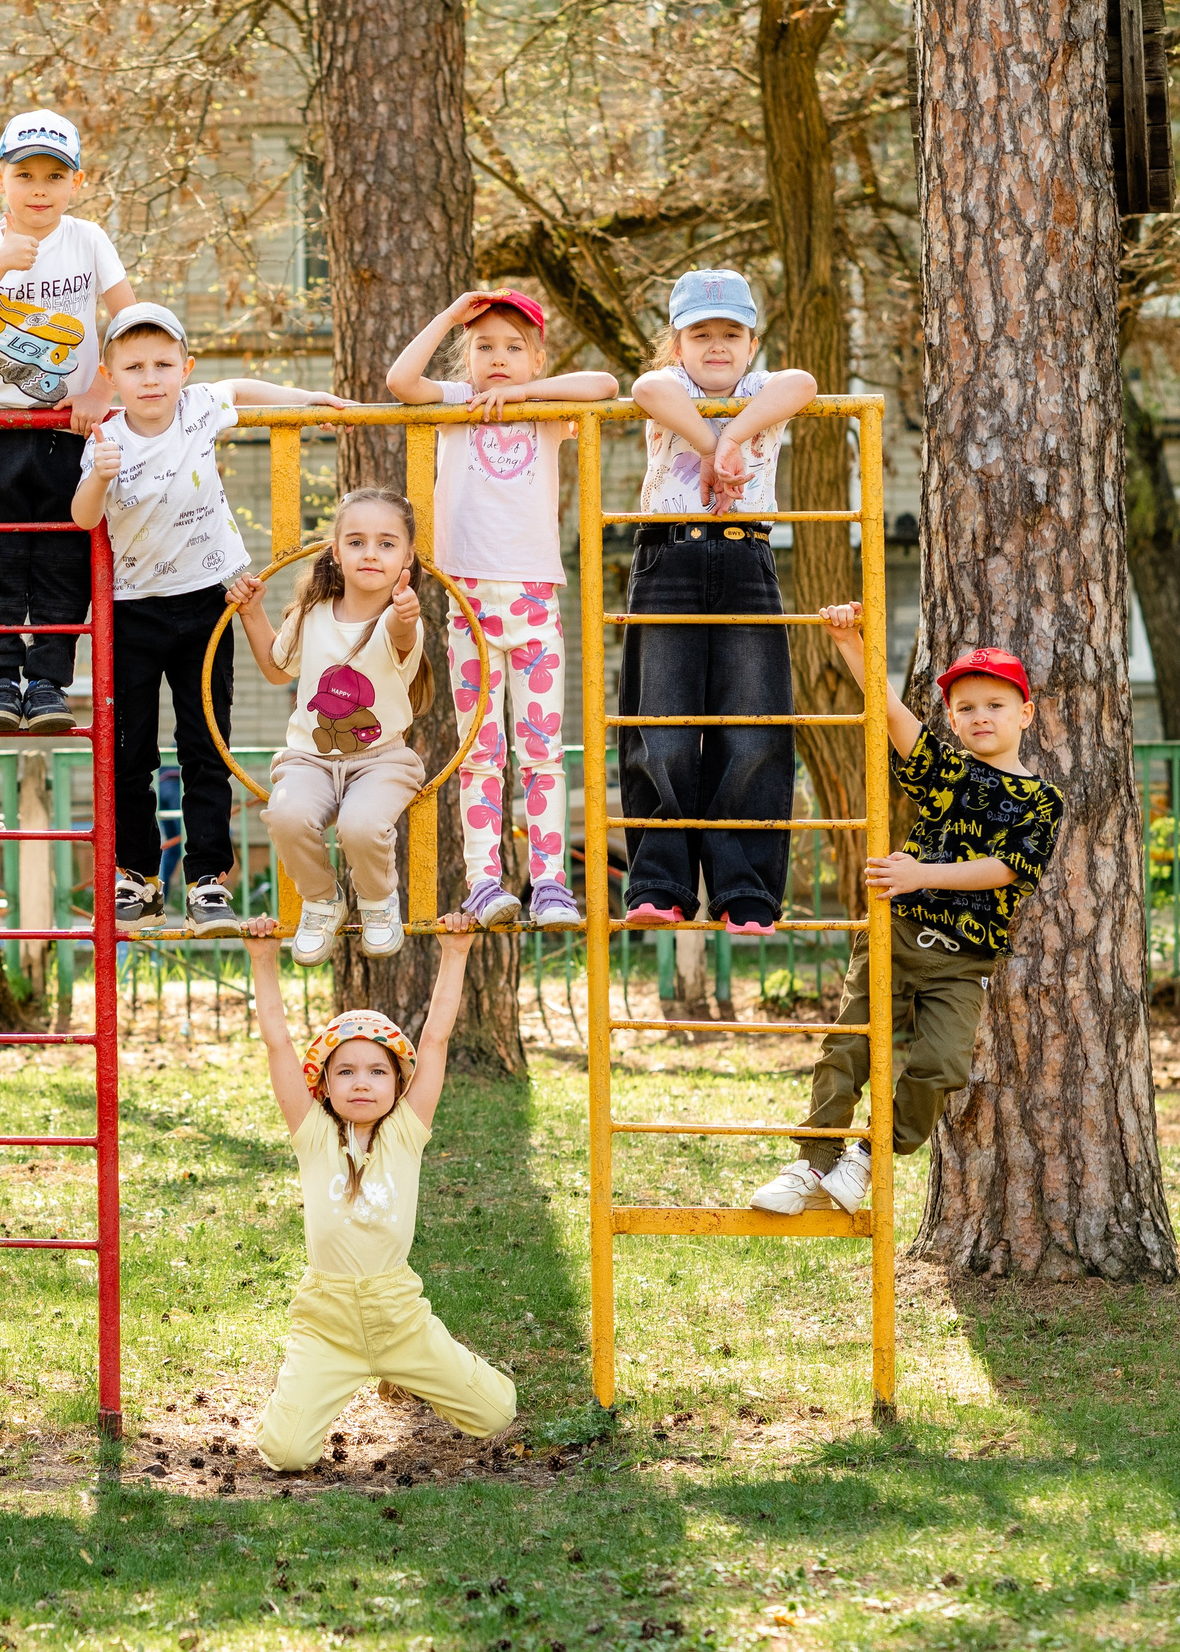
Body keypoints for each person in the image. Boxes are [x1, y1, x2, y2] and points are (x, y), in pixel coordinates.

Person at [750, 611, 1063, 1216]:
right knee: (848, 1047)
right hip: (897, 935)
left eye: (995, 705)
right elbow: (892, 714)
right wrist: (849, 642)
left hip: (963, 957)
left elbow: (1007, 868)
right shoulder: (948, 774)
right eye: (966, 708)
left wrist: (922, 875)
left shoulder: (1042, 799)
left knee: (942, 1062)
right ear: (952, 718)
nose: (980, 717)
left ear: (1025, 714)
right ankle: (810, 1162)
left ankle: (869, 1155)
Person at [75, 301, 350, 935]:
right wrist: (98, 479)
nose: (151, 378)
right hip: (132, 611)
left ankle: (207, 880)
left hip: (208, 603)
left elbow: (244, 388)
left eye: (164, 364)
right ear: (110, 376)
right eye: (135, 366)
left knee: (205, 744)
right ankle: (138, 877)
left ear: (185, 369)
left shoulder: (198, 410)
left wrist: (304, 398)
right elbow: (85, 517)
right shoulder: (107, 438)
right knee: (129, 749)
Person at [242, 912, 517, 1472]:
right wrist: (263, 960)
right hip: (328, 1322)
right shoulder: (313, 1134)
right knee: (286, 1455)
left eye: (376, 1071)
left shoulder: (406, 1133)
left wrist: (456, 952)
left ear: (399, 1082)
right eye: (345, 1072)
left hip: (399, 1318)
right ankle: (303, 1386)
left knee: (497, 1413)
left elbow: (436, 1038)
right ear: (323, 1082)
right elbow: (277, 1044)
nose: (361, 1082)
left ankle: (404, 1372)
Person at [385, 290, 618, 933]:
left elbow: (604, 381)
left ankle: (549, 882)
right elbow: (401, 382)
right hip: (468, 603)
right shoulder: (457, 402)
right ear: (467, 356)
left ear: (536, 358)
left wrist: (519, 395)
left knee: (541, 752)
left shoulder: (546, 409)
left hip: (535, 598)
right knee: (479, 752)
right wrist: (447, 317)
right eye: (484, 346)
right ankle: (485, 880)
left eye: (515, 347)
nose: (498, 358)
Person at [618, 268, 818, 935]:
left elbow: (804, 385)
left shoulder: (763, 390)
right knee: (664, 724)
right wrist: (711, 443)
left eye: (730, 334)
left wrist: (732, 438)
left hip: (745, 555)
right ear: (676, 344)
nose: (716, 347)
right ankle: (660, 882)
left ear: (751, 342)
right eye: (700, 335)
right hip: (668, 558)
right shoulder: (669, 387)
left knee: (752, 723)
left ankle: (746, 890)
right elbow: (644, 388)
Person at [0, 109, 138, 736]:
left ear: (76, 182)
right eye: (25, 175)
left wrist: (103, 387)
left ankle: (49, 683)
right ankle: (0, 679)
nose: (40, 189)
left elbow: (130, 320)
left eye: (56, 175)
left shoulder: (89, 239)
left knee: (61, 553)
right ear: (0, 178)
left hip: (69, 429)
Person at [229, 488, 437, 964]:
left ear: (407, 556)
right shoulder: (312, 614)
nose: (370, 553)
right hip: (310, 759)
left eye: (386, 544)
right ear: (336, 553)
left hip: (381, 760)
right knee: (284, 816)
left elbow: (402, 637)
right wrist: (251, 611)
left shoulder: (399, 619)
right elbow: (278, 668)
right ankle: (323, 900)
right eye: (356, 541)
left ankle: (378, 900)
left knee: (361, 826)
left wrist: (407, 615)